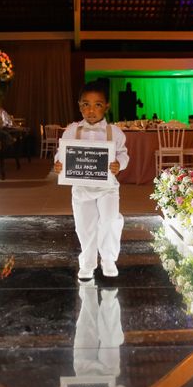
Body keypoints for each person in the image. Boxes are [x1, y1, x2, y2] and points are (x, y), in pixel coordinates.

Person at [54, 81, 129, 280]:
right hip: (81, 188)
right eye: (86, 104)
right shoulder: (72, 130)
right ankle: (87, 261)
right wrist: (59, 164)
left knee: (110, 221)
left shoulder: (115, 132)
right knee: (84, 225)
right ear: (79, 105)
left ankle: (108, 259)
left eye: (97, 104)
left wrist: (118, 164)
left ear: (106, 106)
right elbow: (62, 154)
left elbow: (123, 155)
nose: (91, 110)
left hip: (108, 188)